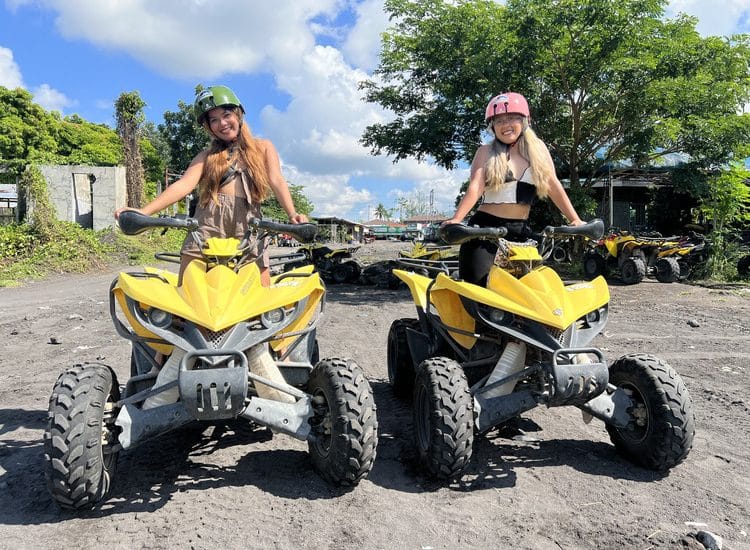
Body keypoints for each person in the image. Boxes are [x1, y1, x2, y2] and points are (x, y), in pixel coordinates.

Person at [114, 85, 308, 286]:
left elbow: (276, 180)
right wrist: (144, 212)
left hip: (249, 225)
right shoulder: (207, 156)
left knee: (260, 295)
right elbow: (183, 185)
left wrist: (292, 214)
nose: (222, 123)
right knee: (188, 291)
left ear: (238, 114)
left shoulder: (264, 148)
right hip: (207, 224)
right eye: (213, 120)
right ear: (208, 127)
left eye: (226, 115)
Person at [442, 91, 584, 286]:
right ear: (492, 126)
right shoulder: (485, 152)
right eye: (499, 121)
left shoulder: (539, 150)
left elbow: (553, 185)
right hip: (485, 229)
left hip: (521, 232)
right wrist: (457, 220)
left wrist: (575, 219)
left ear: (525, 120)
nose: (506, 125)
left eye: (512, 118)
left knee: (533, 291)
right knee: (478, 289)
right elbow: (476, 186)